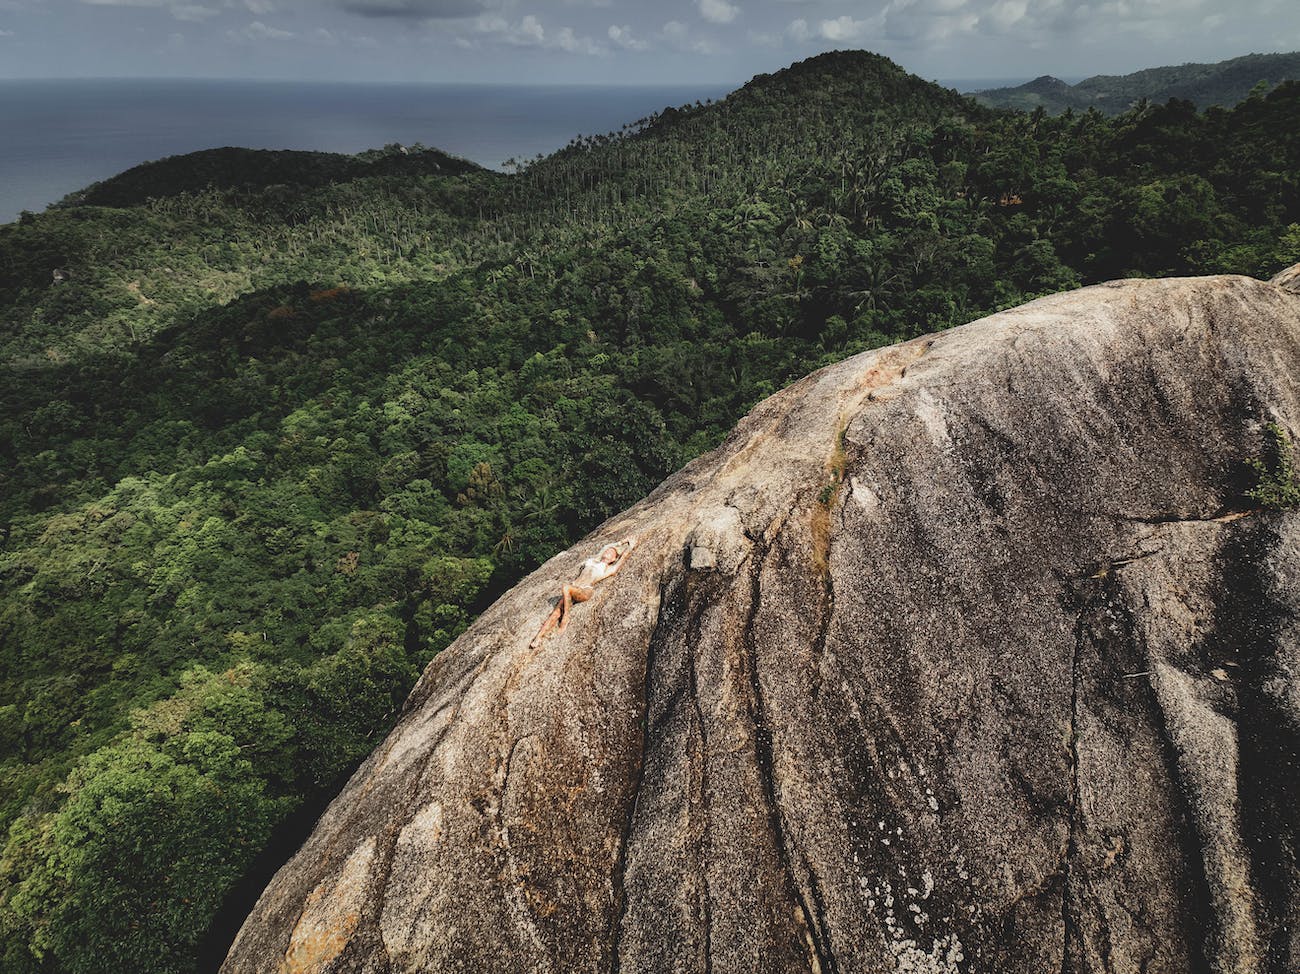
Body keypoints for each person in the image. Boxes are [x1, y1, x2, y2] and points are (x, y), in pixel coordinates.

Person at [530, 537, 637, 648]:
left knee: (566, 587)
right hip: (574, 588)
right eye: (607, 551)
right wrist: (620, 542)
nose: (607, 552)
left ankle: (566, 618)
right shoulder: (592, 561)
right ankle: (538, 638)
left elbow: (623, 557)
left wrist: (629, 546)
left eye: (611, 553)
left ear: (614, 559)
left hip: (585, 590)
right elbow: (605, 547)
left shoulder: (608, 569)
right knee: (556, 612)